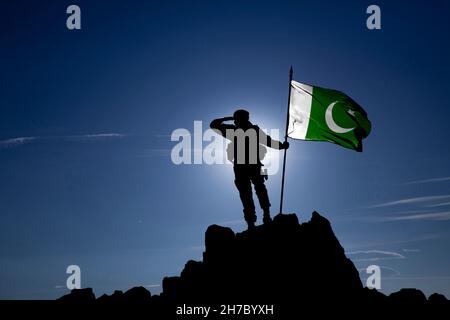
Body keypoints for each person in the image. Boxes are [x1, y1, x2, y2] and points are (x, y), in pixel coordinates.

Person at [210, 109, 289, 229]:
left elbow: (269, 142)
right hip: (243, 167)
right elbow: (213, 125)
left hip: (254, 165)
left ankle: (263, 217)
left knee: (256, 190)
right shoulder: (235, 130)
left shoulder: (248, 130)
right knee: (249, 193)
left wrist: (282, 146)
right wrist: (230, 119)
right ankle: (254, 221)